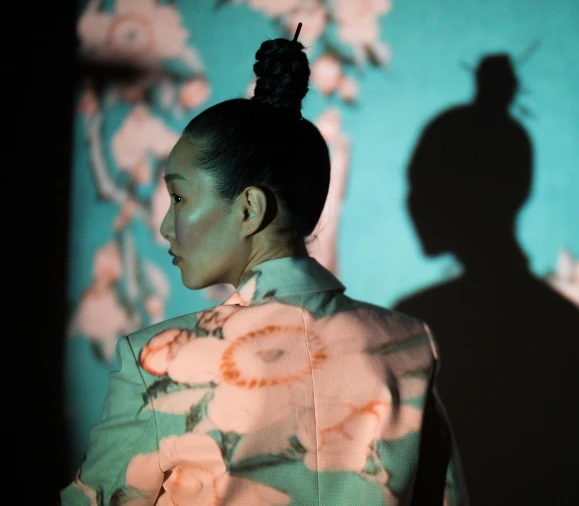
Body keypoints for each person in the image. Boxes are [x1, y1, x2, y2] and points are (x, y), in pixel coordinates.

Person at [61, 28, 466, 506]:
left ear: (250, 208)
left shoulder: (158, 361)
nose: (167, 226)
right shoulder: (409, 346)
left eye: (179, 196)